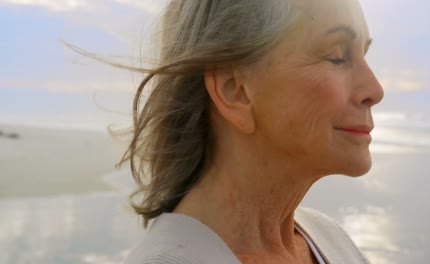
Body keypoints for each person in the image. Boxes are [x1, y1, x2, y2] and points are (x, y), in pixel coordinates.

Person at [123, 0, 384, 263]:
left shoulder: (330, 239)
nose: (375, 90)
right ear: (234, 90)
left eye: (364, 54)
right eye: (337, 56)